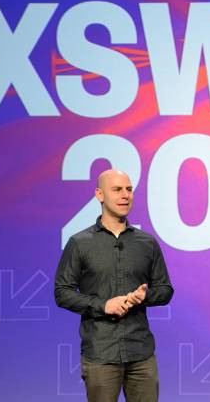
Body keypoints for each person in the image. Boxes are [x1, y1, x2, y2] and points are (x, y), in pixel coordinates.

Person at [54, 169, 174, 402]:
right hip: (101, 354)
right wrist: (102, 305)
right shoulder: (80, 243)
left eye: (129, 189)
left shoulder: (146, 243)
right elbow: (62, 292)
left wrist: (144, 297)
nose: (125, 195)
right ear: (99, 194)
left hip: (141, 353)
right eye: (117, 189)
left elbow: (165, 289)